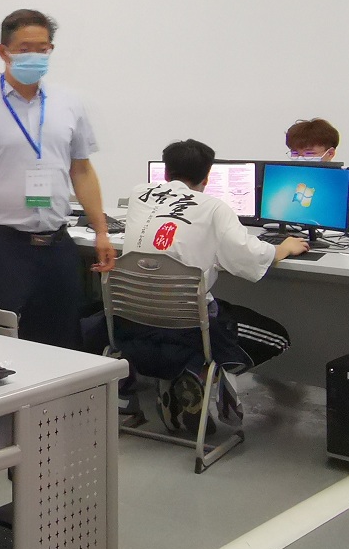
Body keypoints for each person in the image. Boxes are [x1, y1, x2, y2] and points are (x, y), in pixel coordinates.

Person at [0, 9, 113, 350]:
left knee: (63, 343)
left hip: (57, 245)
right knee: (2, 343)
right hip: (0, 247)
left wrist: (101, 230)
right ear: (3, 51)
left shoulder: (69, 104)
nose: (34, 55)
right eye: (24, 48)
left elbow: (82, 170)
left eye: (42, 48)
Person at [115, 139, 304, 432]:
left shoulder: (140, 195)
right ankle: (199, 373)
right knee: (277, 338)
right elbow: (249, 257)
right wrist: (283, 248)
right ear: (207, 177)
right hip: (190, 326)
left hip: (133, 321)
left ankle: (180, 377)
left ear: (165, 173)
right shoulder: (214, 208)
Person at [284, 118, 349, 230]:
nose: (301, 158)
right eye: (295, 153)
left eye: (309, 153)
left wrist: (329, 188)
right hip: (292, 235)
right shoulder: (285, 177)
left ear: (330, 153)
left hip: (335, 237)